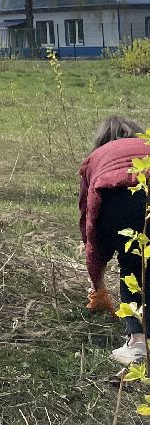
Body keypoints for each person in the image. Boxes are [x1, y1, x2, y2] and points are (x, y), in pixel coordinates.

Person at [80, 115, 150, 366]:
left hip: (118, 200)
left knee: (132, 263)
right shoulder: (147, 146)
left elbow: (90, 221)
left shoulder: (96, 159)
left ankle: (138, 344)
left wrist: (97, 283)